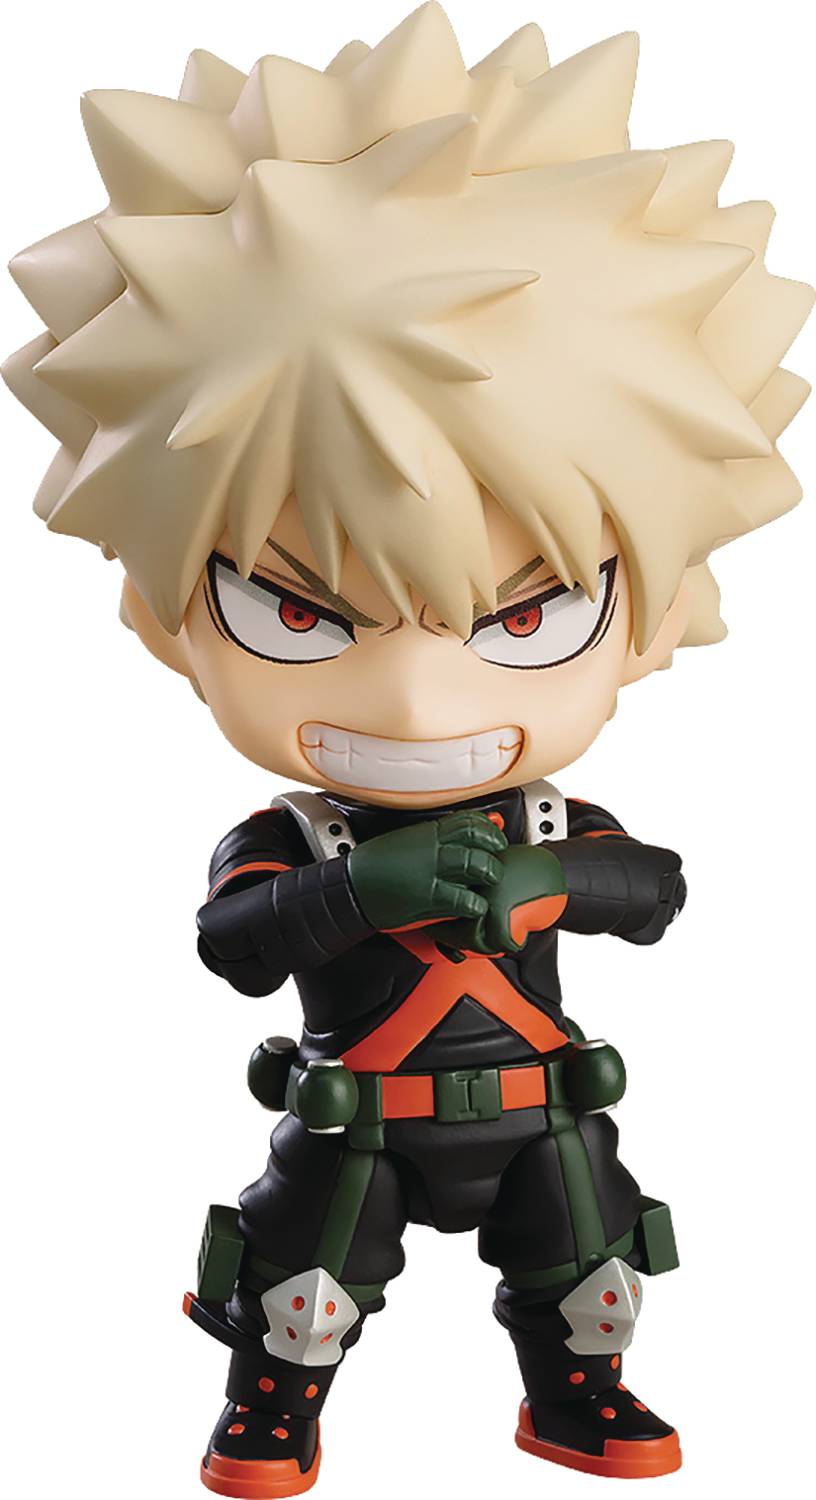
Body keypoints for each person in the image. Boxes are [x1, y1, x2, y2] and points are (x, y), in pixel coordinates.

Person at [5, 5, 811, 1493]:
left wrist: (559, 884)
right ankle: (271, 1403)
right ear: (167, 610)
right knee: (303, 1297)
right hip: (358, 1123)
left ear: (657, 611)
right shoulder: (301, 837)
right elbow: (235, 945)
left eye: (530, 618)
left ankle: (576, 1393)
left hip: (540, 1118)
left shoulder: (550, 822)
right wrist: (360, 894)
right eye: (298, 613)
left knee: (595, 1277)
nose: (422, 704)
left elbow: (658, 892)